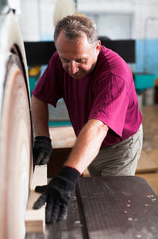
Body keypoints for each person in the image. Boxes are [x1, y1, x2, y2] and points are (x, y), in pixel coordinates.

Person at [31, 15, 143, 224]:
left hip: (119, 148)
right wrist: (42, 138)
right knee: (96, 192)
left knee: (112, 204)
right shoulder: (61, 58)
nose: (72, 69)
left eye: (80, 60)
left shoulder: (114, 73)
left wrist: (66, 177)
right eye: (65, 60)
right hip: (91, 143)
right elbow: (38, 97)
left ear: (98, 47)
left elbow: (99, 127)